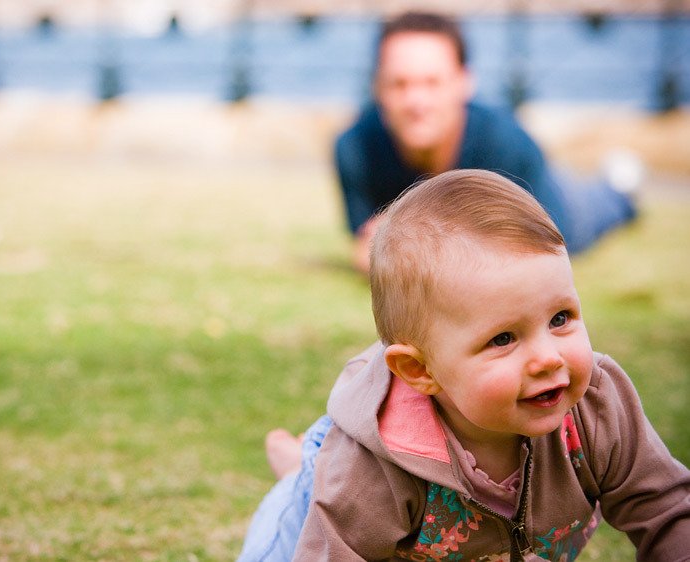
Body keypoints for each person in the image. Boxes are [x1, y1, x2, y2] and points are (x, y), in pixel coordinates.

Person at [238, 169, 690, 561]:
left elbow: (669, 514)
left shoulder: (597, 409)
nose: (548, 358)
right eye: (503, 339)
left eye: (560, 318)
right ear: (421, 372)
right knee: (317, 505)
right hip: (329, 521)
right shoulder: (375, 465)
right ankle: (307, 474)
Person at [335, 11, 640, 273]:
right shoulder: (354, 149)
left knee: (596, 209)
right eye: (399, 83)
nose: (416, 101)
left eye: (432, 82)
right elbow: (367, 251)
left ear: (465, 82)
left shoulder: (506, 143)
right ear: (377, 87)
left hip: (559, 205)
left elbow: (542, 253)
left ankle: (619, 188)